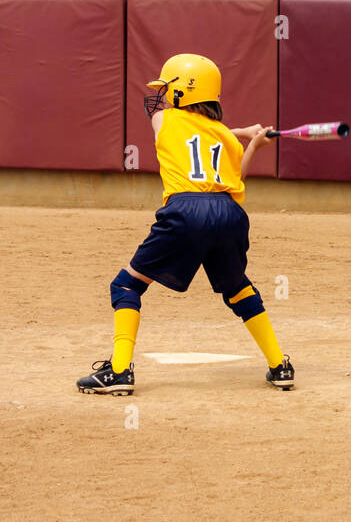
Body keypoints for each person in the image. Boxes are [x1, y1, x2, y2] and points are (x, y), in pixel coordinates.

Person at [76, 53, 294, 395]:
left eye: (168, 89)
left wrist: (242, 133)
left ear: (182, 95)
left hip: (185, 211)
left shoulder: (163, 119)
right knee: (238, 290)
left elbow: (190, 131)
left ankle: (119, 371)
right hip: (229, 213)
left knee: (126, 287)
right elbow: (234, 180)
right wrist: (253, 142)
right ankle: (279, 365)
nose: (162, 97)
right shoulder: (225, 138)